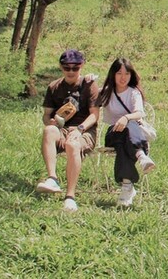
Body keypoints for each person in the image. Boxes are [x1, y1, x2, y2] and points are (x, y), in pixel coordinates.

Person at [36, 49, 100, 212]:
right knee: (49, 131)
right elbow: (46, 115)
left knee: (72, 144)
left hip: (84, 130)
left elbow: (94, 115)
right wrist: (50, 121)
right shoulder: (54, 87)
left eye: (75, 68)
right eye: (67, 68)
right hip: (62, 128)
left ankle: (70, 196)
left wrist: (79, 129)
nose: (71, 71)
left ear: (82, 66)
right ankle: (52, 178)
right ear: (61, 67)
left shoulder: (89, 85)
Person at [97, 57, 156, 207]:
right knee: (124, 132)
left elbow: (139, 113)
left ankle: (127, 186)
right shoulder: (106, 92)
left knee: (128, 133)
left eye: (127, 74)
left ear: (131, 75)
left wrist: (126, 118)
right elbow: (89, 100)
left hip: (130, 136)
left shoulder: (133, 93)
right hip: (113, 134)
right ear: (113, 75)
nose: (123, 77)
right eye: (119, 73)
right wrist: (88, 81)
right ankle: (141, 155)